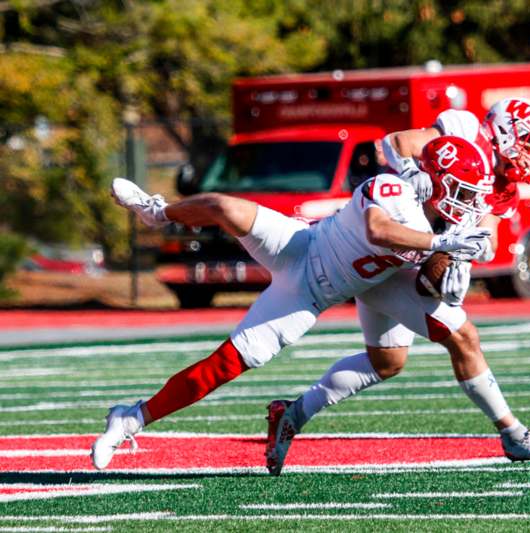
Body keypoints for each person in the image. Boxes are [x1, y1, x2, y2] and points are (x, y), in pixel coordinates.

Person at [90, 135, 497, 469]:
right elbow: (379, 230)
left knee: (223, 366)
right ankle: (156, 211)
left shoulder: (446, 233)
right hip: (300, 243)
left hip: (310, 295)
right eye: (461, 192)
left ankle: (131, 416)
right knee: (223, 207)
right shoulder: (393, 190)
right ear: (434, 182)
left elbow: (429, 286)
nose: (466, 205)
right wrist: (442, 243)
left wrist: (449, 272)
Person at [265, 100, 530, 475]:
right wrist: (413, 172)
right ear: (508, 128)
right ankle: (514, 435)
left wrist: (468, 253)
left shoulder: (506, 188)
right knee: (463, 337)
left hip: (407, 261)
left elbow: (488, 235)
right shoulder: (463, 128)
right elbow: (395, 142)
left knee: (387, 361)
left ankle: (291, 415)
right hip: (386, 245)